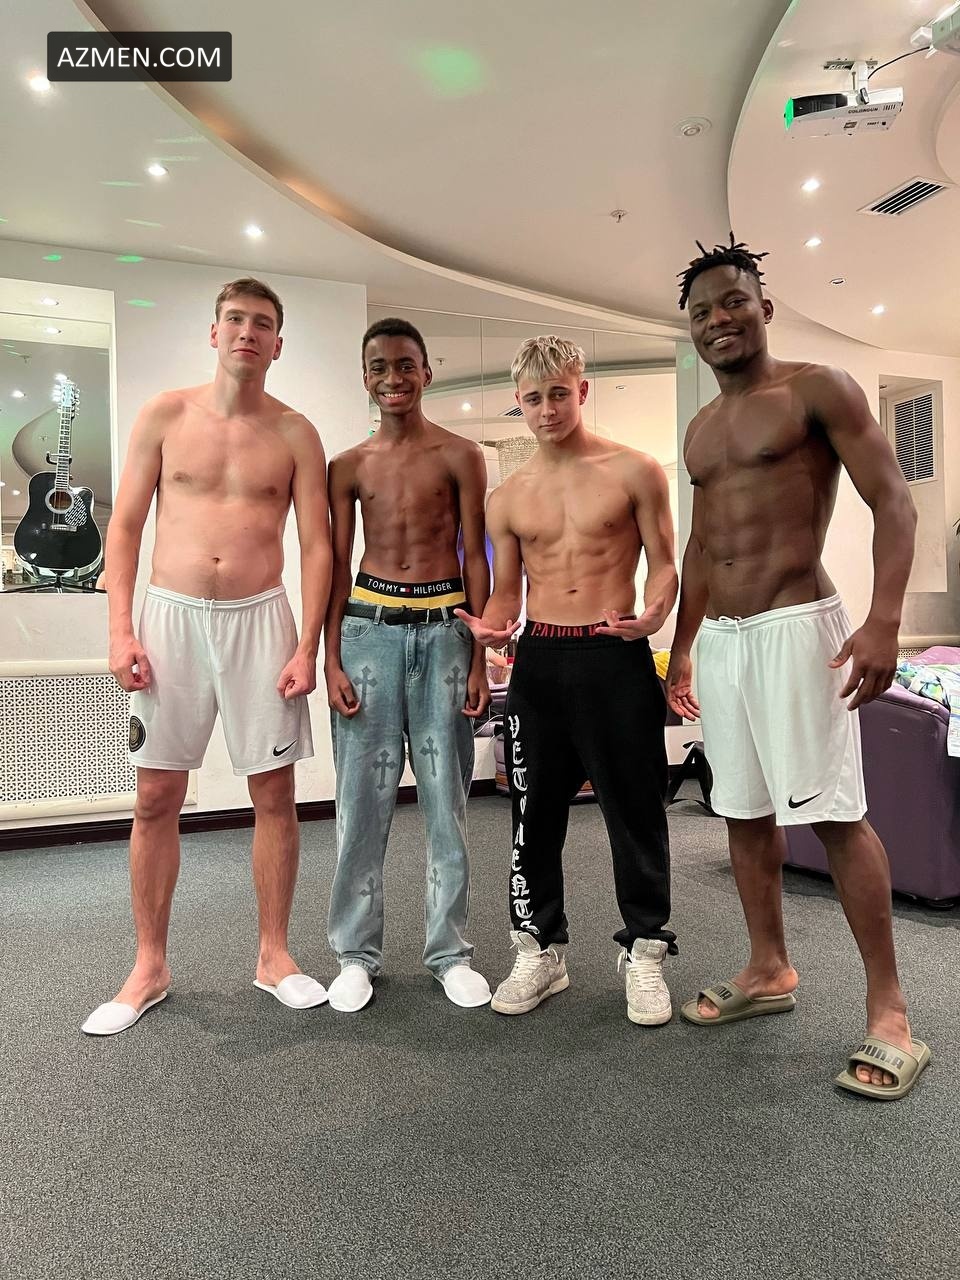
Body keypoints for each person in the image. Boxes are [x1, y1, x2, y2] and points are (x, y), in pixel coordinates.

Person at [666, 236, 928, 1099]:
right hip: (726, 642)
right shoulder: (700, 430)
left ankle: (890, 1010)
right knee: (741, 812)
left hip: (797, 626)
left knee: (838, 816)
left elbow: (894, 500)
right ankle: (768, 966)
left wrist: (884, 620)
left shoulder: (818, 389)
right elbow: (702, 546)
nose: (718, 320)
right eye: (702, 312)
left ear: (764, 308)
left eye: (732, 302)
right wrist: (683, 645)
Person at [83, 277, 331, 1036]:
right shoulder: (165, 414)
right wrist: (120, 631)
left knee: (275, 794)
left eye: (263, 323)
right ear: (214, 332)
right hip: (171, 619)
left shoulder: (296, 433)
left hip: (262, 619)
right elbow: (124, 528)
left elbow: (318, 545)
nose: (247, 332)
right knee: (156, 796)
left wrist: (308, 644)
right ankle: (149, 966)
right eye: (235, 319)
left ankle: (274, 956)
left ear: (278, 343)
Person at [456, 335, 678, 1023]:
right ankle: (540, 948)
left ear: (581, 390)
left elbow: (666, 564)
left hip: (615, 657)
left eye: (559, 394)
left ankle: (645, 948)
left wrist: (654, 613)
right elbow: (506, 594)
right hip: (541, 664)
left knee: (635, 812)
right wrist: (492, 630)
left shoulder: (635, 470)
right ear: (518, 403)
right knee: (532, 815)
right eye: (533, 398)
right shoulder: (507, 497)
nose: (547, 409)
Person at [323, 317, 492, 1012]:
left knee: (446, 802)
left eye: (404, 365)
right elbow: (336, 563)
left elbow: (476, 556)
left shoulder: (462, 455)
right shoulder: (348, 465)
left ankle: (449, 952)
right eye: (379, 367)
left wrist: (481, 655)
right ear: (365, 376)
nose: (392, 378)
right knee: (360, 804)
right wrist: (329, 655)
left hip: (445, 630)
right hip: (368, 632)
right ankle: (354, 954)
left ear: (427, 370)